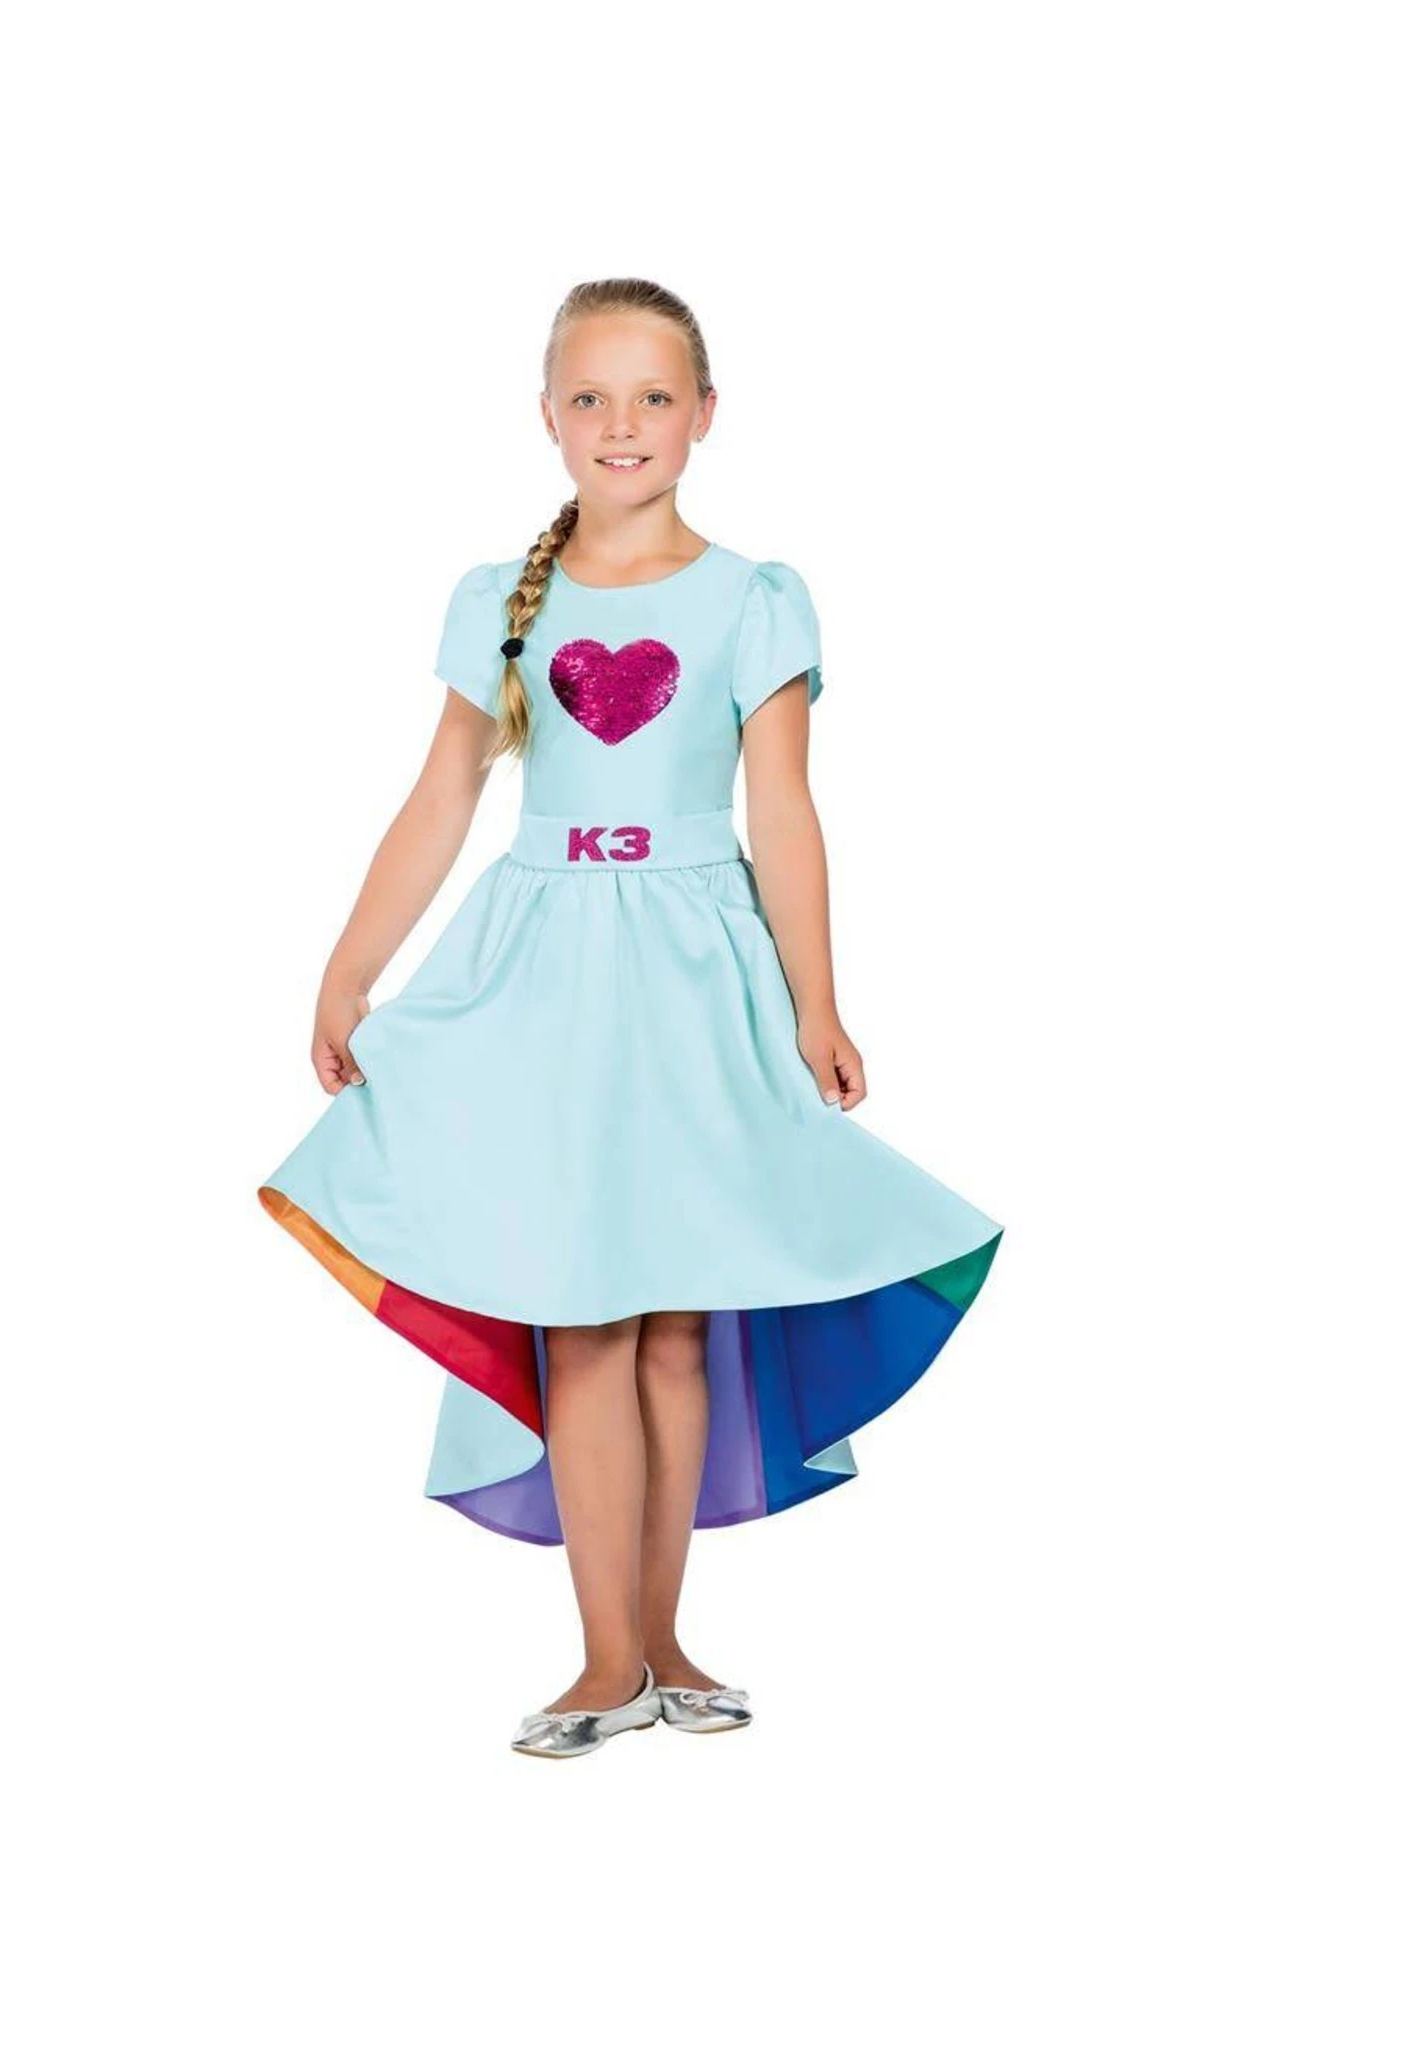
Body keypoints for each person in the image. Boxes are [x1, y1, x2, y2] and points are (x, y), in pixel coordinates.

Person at [257, 276, 1003, 1760]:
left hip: (693, 977)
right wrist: (349, 967)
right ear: (546, 416)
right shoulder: (502, 598)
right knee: (584, 1318)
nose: (621, 424)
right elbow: (443, 794)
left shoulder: (753, 597)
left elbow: (783, 815)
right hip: (543, 978)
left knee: (675, 1326)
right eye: (590, 398)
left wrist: (818, 1003)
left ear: (705, 415)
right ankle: (605, 1659)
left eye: (653, 397)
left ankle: (662, 1645)